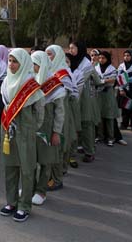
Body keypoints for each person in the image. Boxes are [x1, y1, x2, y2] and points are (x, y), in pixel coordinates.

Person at [0, 48, 44, 222]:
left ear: (24, 62)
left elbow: (40, 111)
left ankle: (24, 205)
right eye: (9, 61)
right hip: (8, 130)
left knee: (26, 168)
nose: (11, 64)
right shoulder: (5, 83)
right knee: (10, 166)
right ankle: (11, 202)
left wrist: (32, 129)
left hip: (25, 131)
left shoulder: (31, 84)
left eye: (15, 61)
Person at [31, 50, 64, 206]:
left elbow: (60, 111)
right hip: (31, 126)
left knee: (44, 160)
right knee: (30, 158)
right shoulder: (30, 81)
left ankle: (41, 191)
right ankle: (29, 188)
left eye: (35, 65)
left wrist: (56, 131)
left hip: (47, 127)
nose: (32, 67)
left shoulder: (54, 84)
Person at [45, 44, 77, 189]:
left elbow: (64, 100)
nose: (47, 57)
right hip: (51, 115)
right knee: (51, 147)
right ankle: (53, 175)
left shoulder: (63, 74)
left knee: (57, 146)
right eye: (46, 54)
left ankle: (57, 179)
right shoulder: (49, 71)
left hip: (60, 115)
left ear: (57, 55)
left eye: (50, 54)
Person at [69, 41, 102, 163]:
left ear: (80, 49)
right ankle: (79, 148)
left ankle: (89, 152)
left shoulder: (87, 65)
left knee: (86, 123)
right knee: (76, 123)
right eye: (70, 48)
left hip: (84, 97)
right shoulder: (71, 62)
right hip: (75, 96)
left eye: (73, 48)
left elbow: (81, 82)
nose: (71, 50)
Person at [94, 51, 118, 146]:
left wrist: (101, 81)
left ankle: (111, 138)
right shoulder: (96, 68)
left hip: (108, 95)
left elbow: (112, 81)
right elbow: (94, 80)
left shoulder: (112, 69)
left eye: (103, 58)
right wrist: (104, 81)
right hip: (98, 95)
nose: (101, 60)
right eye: (99, 58)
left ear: (107, 59)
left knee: (109, 116)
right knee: (99, 116)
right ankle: (100, 136)